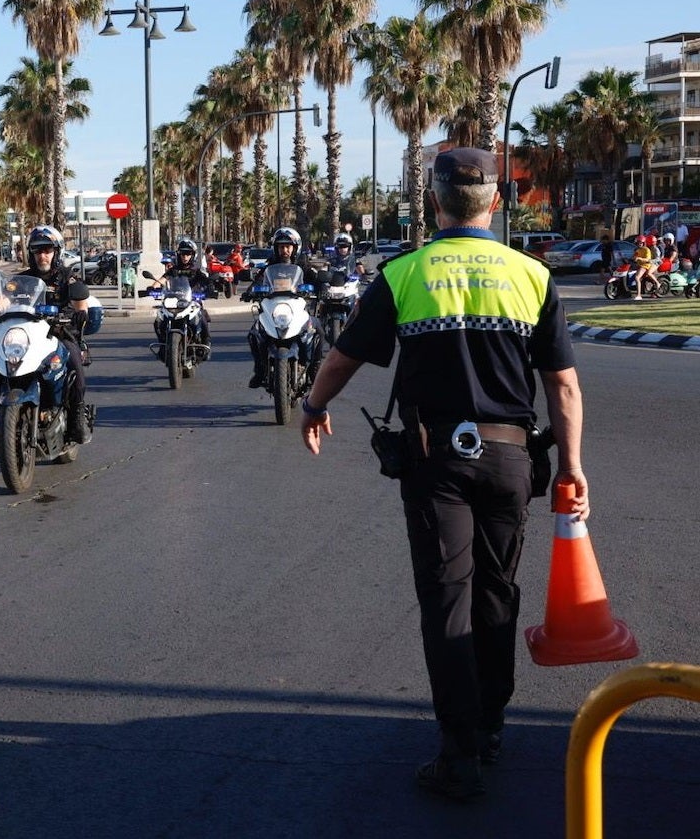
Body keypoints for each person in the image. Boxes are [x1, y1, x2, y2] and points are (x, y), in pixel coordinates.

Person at [297, 148, 587, 800]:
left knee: (447, 600)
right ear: (495, 202)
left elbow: (343, 356)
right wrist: (570, 467)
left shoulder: (404, 272)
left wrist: (313, 406)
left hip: (436, 463)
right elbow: (562, 387)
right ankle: (489, 724)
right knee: (495, 593)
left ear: (432, 202)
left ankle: (458, 753)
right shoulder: (531, 275)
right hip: (512, 459)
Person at [18, 224, 94, 444]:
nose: (43, 255)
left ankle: (77, 417)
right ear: (31, 253)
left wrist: (81, 314)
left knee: (74, 367)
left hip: (59, 333)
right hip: (29, 336)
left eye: (47, 250)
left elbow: (81, 302)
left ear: (56, 251)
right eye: (38, 250)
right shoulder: (22, 279)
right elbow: (3, 298)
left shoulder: (66, 277)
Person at [241, 227, 314, 388]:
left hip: (296, 307)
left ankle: (314, 371)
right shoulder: (269, 266)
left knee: (317, 330)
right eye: (281, 246)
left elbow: (315, 278)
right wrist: (249, 292)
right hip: (273, 307)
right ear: (276, 248)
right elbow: (259, 280)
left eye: (288, 246)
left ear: (295, 248)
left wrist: (321, 286)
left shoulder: (303, 264)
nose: (285, 250)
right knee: (254, 334)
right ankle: (260, 370)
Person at [153, 238, 213, 352]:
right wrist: (152, 288)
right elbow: (161, 280)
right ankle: (163, 344)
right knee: (158, 320)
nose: (185, 257)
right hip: (174, 302)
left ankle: (206, 343)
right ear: (178, 254)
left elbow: (207, 281)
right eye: (182, 254)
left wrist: (210, 287)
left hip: (193, 301)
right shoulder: (173, 270)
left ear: (193, 255)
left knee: (203, 318)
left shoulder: (196, 271)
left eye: (188, 254)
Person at [630, 234, 657, 300]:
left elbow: (648, 259)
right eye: (638, 242)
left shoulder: (646, 250)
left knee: (637, 277)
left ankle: (639, 295)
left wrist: (639, 258)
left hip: (645, 265)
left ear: (643, 243)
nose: (639, 244)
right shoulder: (637, 250)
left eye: (641, 243)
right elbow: (634, 257)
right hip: (639, 265)